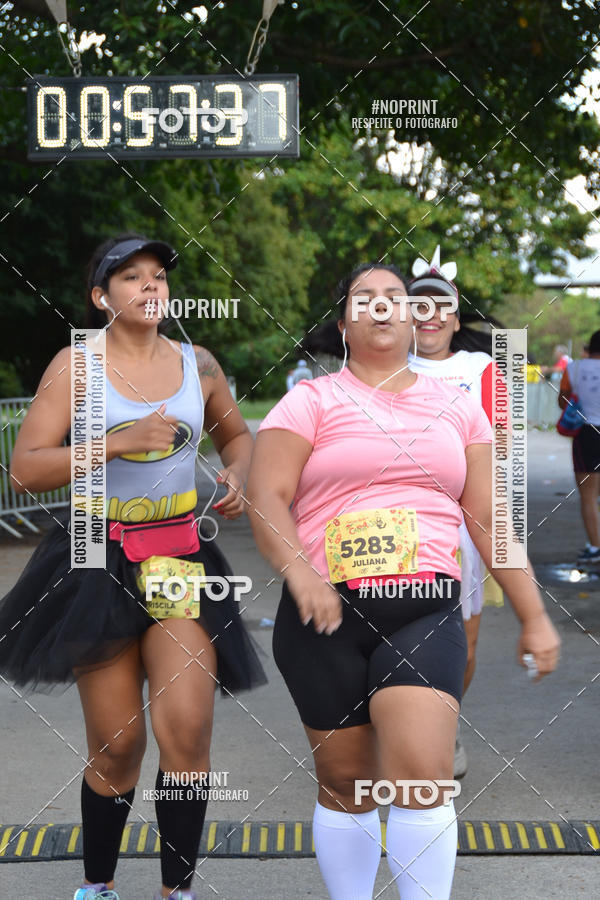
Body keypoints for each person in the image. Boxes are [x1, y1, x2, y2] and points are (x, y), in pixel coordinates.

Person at [247, 262, 560, 900]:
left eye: (397, 297)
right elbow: (267, 498)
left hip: (423, 606)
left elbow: (488, 518)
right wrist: (300, 573)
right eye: (366, 299)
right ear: (344, 325)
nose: (385, 306)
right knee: (345, 783)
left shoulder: (457, 406)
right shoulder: (310, 401)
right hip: (325, 613)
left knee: (423, 778)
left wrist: (533, 614)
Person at [0, 233, 266, 900]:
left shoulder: (197, 362)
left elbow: (237, 433)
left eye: (159, 276)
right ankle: (98, 884)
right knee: (118, 746)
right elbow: (25, 468)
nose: (151, 286)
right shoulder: (76, 366)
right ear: (101, 297)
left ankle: (178, 889)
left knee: (188, 728)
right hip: (94, 549)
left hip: (178, 550)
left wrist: (237, 468)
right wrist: (113, 443)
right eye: (132, 278)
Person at [406, 245, 503, 777]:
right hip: (397, 522)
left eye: (442, 304)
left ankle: (445, 722)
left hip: (465, 524)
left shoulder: (482, 367)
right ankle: (398, 723)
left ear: (456, 314)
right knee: (394, 629)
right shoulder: (384, 363)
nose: (432, 315)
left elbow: (502, 448)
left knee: (462, 642)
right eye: (420, 304)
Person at [558, 330, 600, 563]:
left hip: (587, 434)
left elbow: (562, 401)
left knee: (588, 496)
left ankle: (596, 547)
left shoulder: (574, 368)